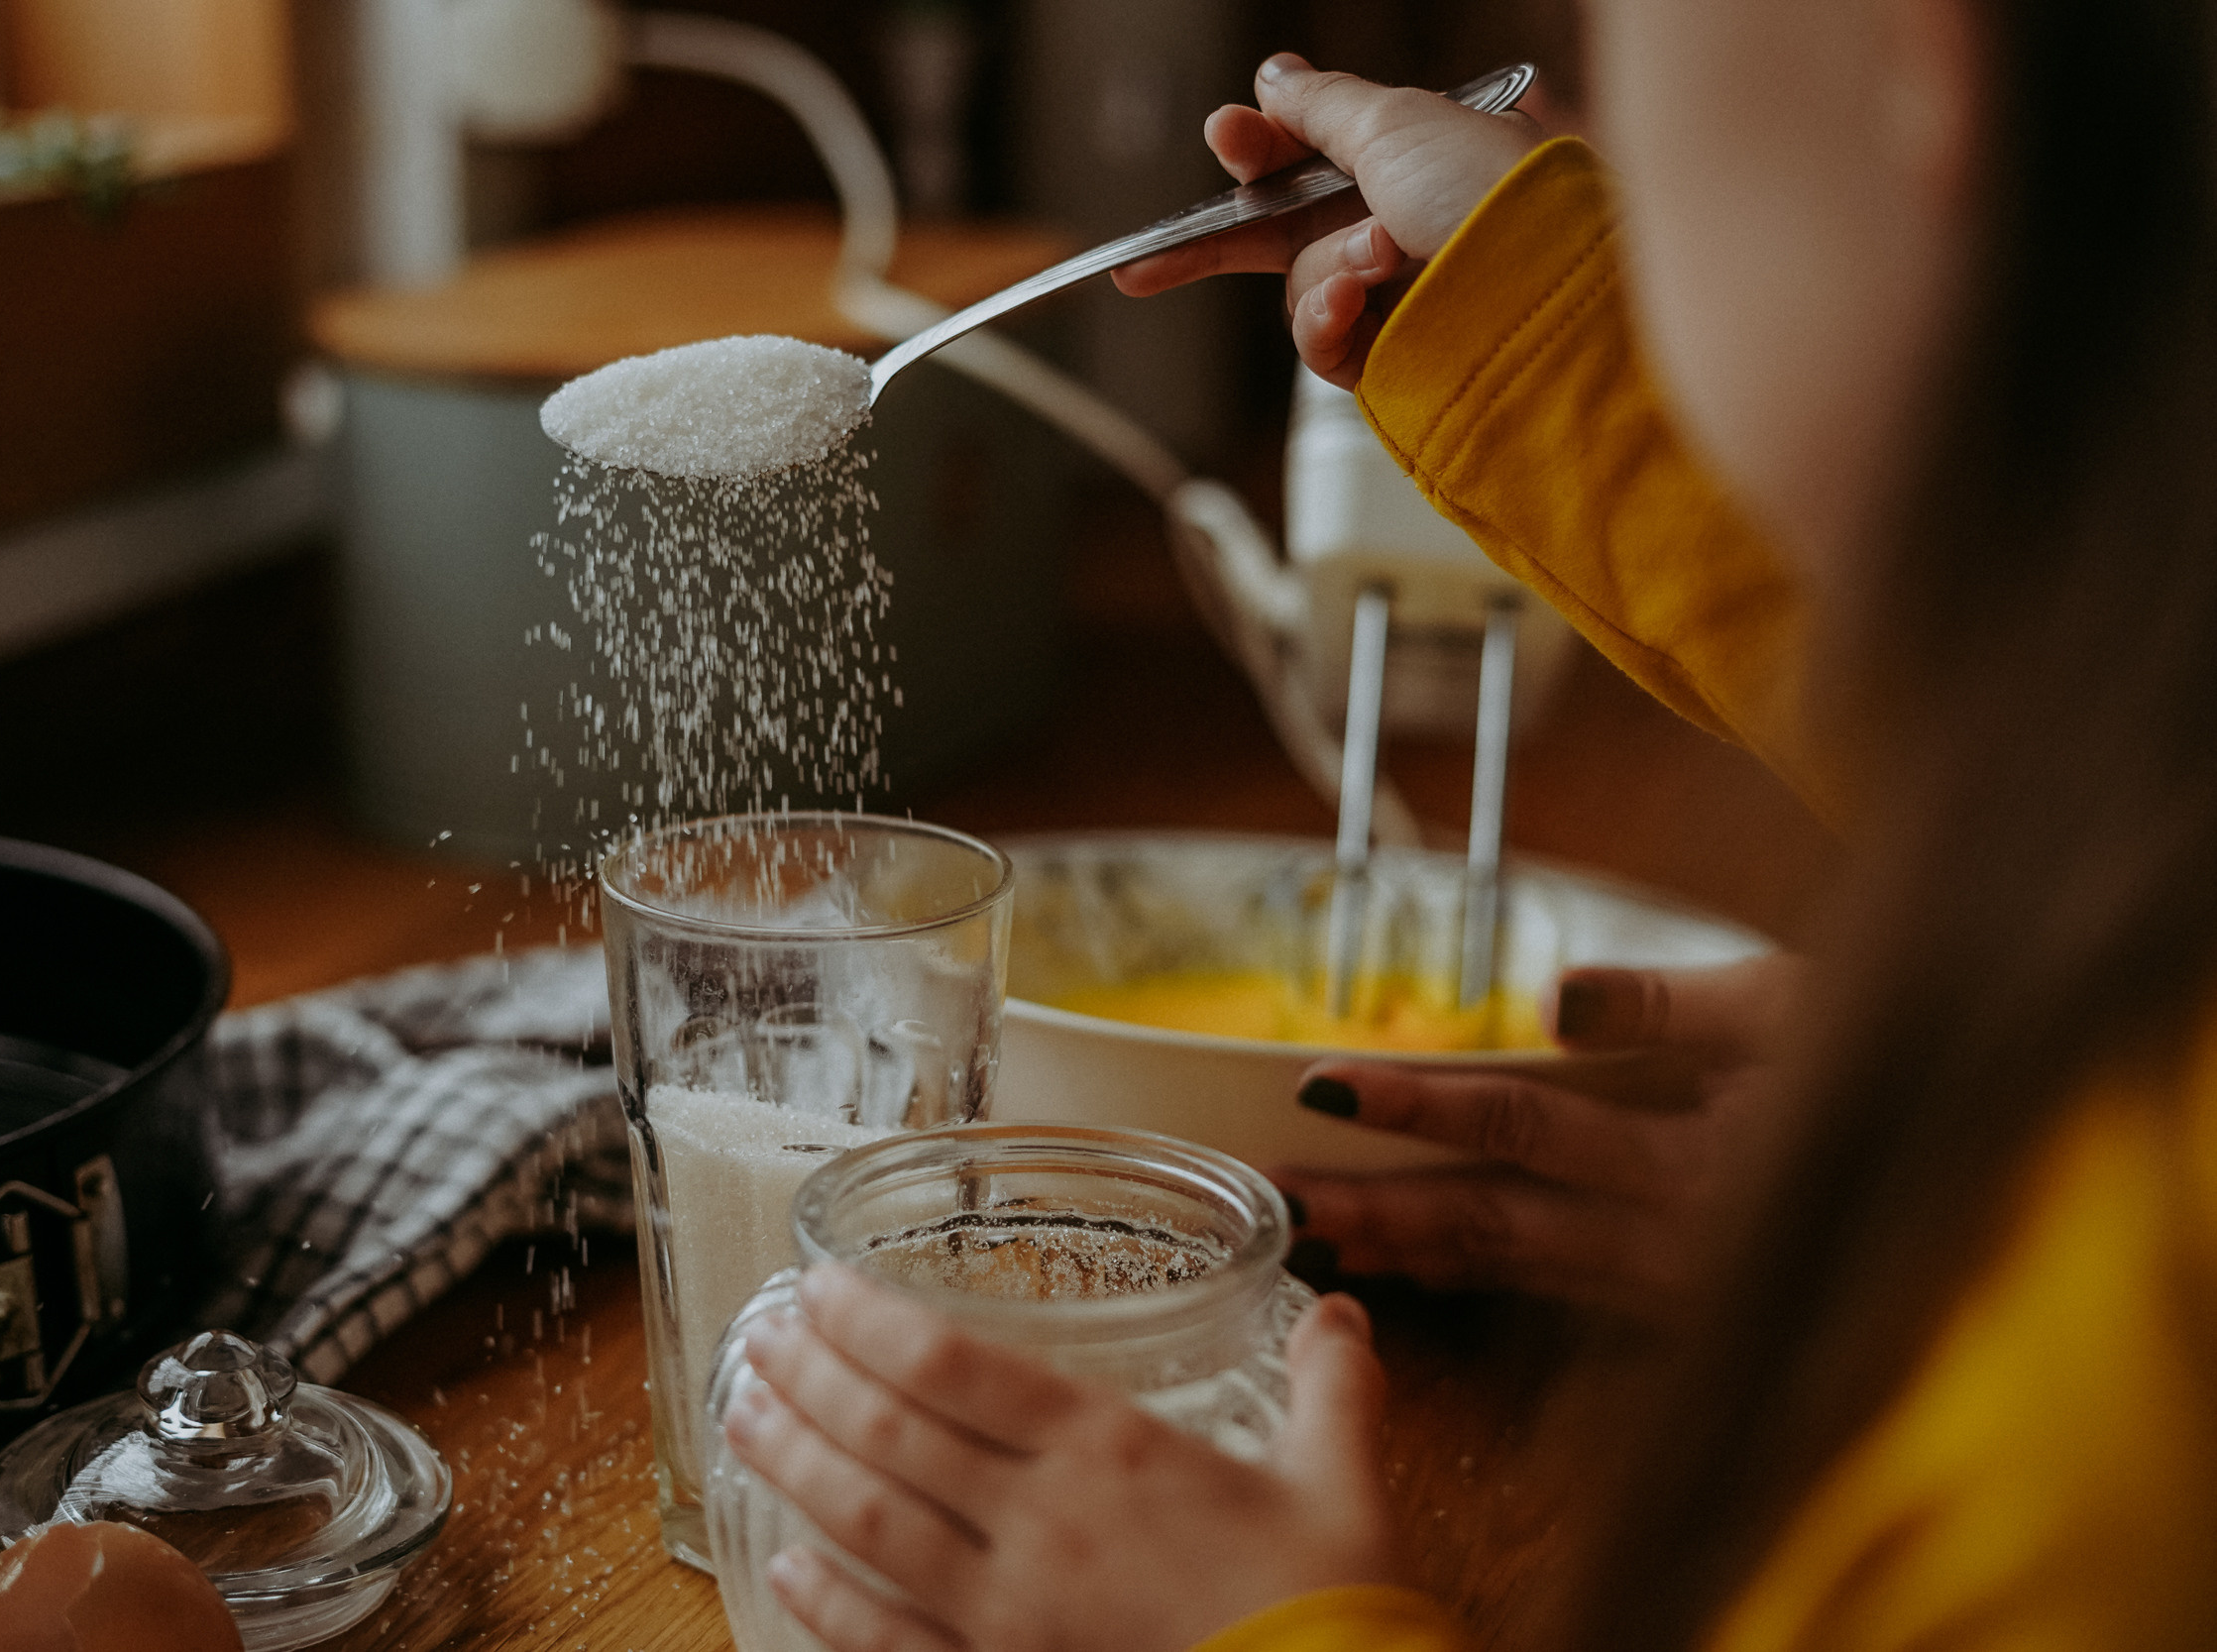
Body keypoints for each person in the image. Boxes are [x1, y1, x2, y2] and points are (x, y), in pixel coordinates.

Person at [722, 1, 2217, 1647]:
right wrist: (1953, 1145)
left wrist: (1267, 1630)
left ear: (1930, 68)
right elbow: (2051, 687)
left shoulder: (2084, 1460)